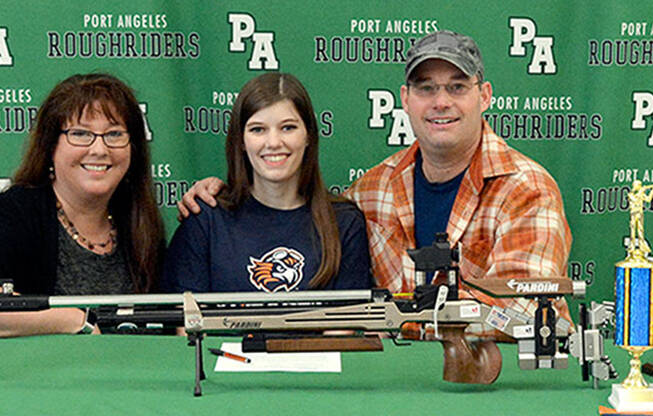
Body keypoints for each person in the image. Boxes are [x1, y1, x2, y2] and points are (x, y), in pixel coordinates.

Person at [179, 31, 571, 337]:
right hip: (394, 389)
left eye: (457, 86)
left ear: (484, 95)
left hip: (493, 388)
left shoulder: (526, 189)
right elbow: (302, 216)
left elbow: (523, 312)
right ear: (405, 98)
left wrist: (405, 318)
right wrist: (222, 191)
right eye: (425, 88)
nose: (440, 102)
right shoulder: (373, 190)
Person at [0, 72, 164, 336]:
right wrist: (75, 321)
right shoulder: (8, 215)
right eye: (80, 133)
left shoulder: (140, 223)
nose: (100, 149)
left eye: (114, 134)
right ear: (50, 146)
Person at [162, 72, 370, 292]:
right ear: (241, 140)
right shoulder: (206, 219)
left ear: (308, 135)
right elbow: (187, 322)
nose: (273, 143)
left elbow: (342, 324)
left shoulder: (344, 223)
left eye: (288, 127)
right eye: (257, 129)